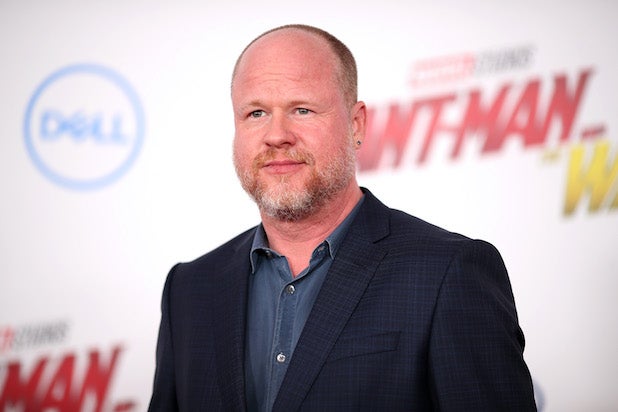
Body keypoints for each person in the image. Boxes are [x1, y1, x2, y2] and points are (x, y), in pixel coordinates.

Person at [148, 24, 537, 411]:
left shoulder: (448, 272)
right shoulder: (189, 290)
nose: (277, 135)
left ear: (356, 124)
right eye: (256, 113)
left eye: (302, 109)